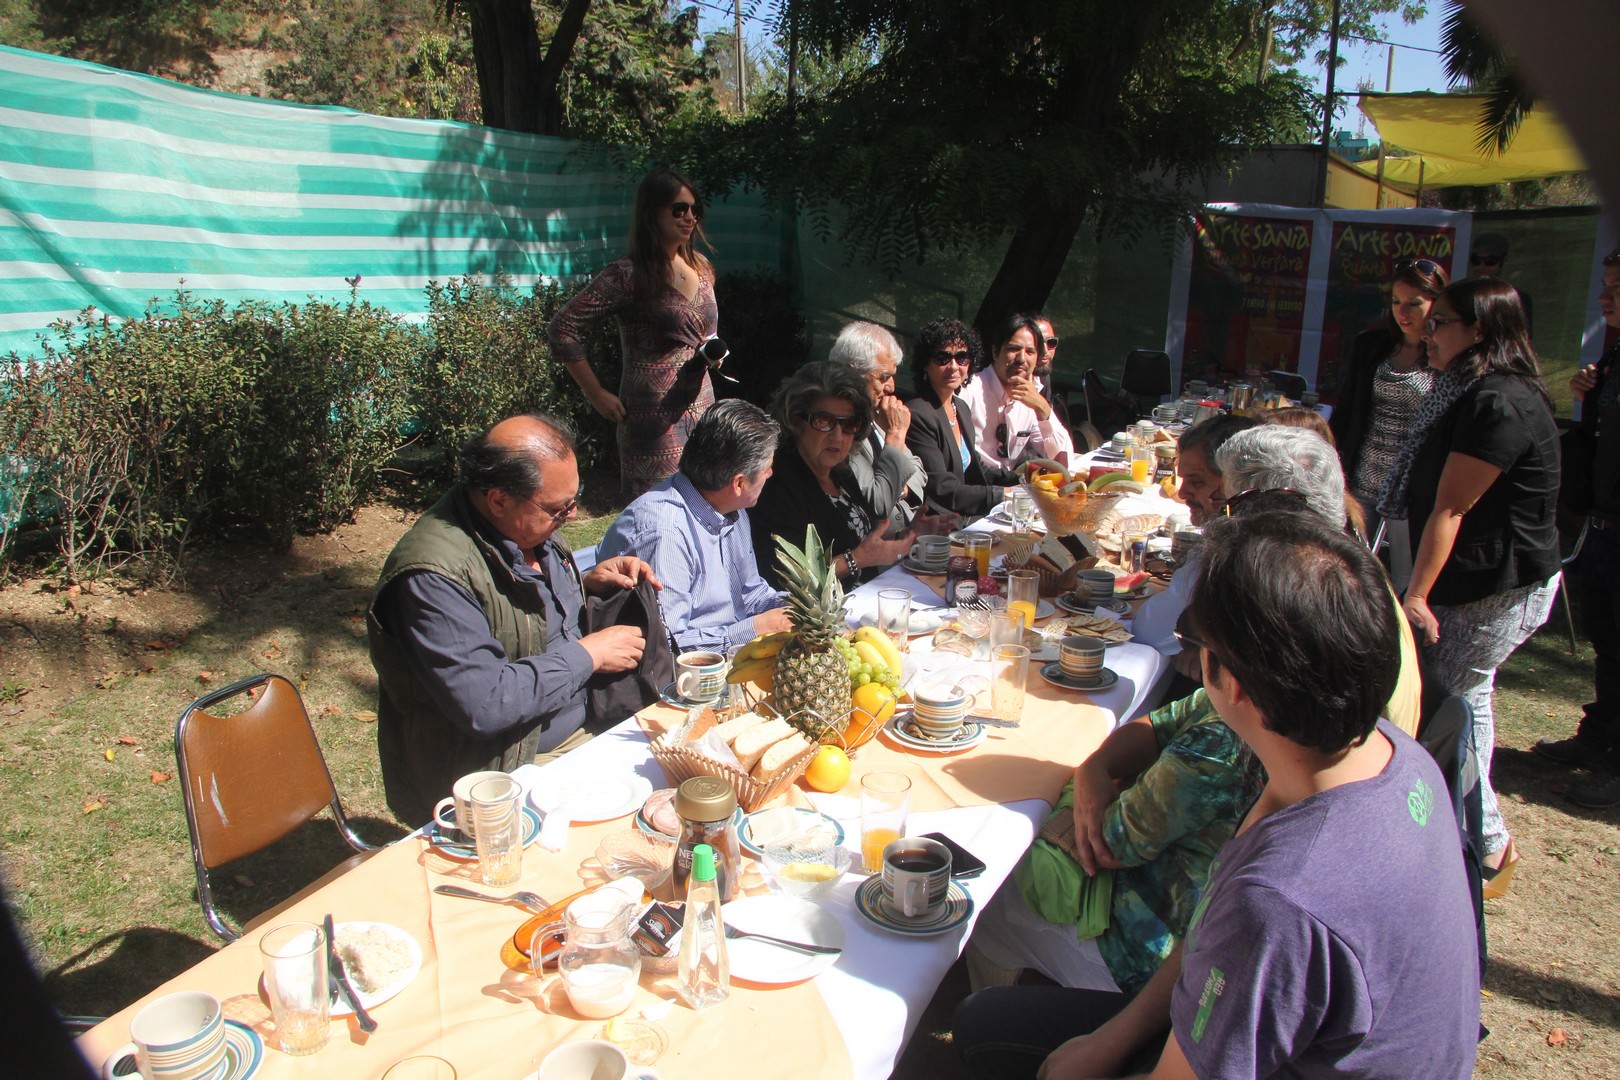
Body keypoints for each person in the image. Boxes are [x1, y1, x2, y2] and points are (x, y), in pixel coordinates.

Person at [953, 511, 1481, 1080]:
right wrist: (1110, 1039)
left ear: (1226, 678)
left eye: (1194, 638)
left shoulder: (1279, 898)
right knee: (1002, 1023)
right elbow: (1211, 934)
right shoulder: (1395, 757)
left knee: (989, 975)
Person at [963, 426, 1422, 1004]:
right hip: (1221, 901)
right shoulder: (1344, 598)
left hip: (1163, 950)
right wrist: (1095, 771)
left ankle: (1004, 1020)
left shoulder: (1249, 717)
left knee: (991, 873)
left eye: (1227, 504)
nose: (1211, 517)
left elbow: (1110, 840)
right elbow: (1172, 718)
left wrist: (1072, 793)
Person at [368, 414, 661, 826]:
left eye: (573, 501)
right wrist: (588, 656)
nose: (573, 517)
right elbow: (486, 703)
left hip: (585, 730)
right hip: (507, 771)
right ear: (499, 500)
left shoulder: (525, 527)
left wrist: (588, 585)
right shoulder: (431, 576)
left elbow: (522, 613)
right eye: (560, 508)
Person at [1380, 277, 1561, 898]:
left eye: (1440, 323)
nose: (1427, 332)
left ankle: (1485, 844)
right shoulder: (1466, 388)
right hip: (1476, 576)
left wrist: (1419, 596)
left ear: (1480, 329)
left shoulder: (1497, 402)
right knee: (1459, 700)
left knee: (1459, 701)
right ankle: (1480, 839)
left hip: (1490, 585)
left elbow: (1451, 510)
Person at [548, 169, 719, 496]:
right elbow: (563, 327)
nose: (689, 218)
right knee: (656, 517)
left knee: (705, 507)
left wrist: (712, 351)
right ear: (651, 212)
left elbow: (705, 332)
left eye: (695, 210)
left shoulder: (701, 268)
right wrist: (595, 393)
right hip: (651, 425)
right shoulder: (627, 275)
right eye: (678, 209)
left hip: (702, 409)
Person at [597, 400, 790, 654]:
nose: (771, 474)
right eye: (767, 468)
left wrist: (797, 609)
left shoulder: (732, 509)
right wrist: (754, 629)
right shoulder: (664, 533)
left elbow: (752, 595)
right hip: (683, 680)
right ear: (739, 483)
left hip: (732, 658)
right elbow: (665, 643)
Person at [1537, 275, 1620, 808]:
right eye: (1605, 286)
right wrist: (1588, 398)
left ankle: (1614, 766)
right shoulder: (1613, 360)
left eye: (1617, 289)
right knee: (1608, 643)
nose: (1604, 299)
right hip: (1606, 523)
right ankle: (1599, 739)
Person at [749, 361, 923, 589]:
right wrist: (855, 560)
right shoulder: (776, 486)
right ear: (795, 421)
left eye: (849, 423)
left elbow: (867, 541)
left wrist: (912, 533)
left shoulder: (841, 472)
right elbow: (786, 578)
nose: (838, 436)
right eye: (824, 421)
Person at [1329, 257, 1448, 577]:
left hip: (1413, 488)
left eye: (1414, 304)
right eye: (1396, 302)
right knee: (1352, 571)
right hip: (1365, 475)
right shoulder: (1372, 345)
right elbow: (1347, 411)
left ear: (1437, 305)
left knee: (1403, 577)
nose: (1402, 312)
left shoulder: (1447, 354)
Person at [1129, 413, 1258, 678]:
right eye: (1183, 479)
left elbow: (1151, 631)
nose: (1183, 492)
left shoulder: (1229, 550)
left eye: (1197, 481)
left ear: (1234, 483)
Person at [905, 317, 1022, 517]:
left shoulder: (960, 406)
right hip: (937, 524)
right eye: (942, 358)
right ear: (925, 363)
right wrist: (1002, 495)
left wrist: (1021, 479)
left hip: (964, 517)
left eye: (961, 357)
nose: (953, 366)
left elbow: (973, 464)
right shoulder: (918, 414)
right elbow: (941, 488)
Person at [828, 320, 927, 517]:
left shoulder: (876, 413)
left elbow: (920, 472)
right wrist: (896, 435)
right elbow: (878, 503)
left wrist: (897, 487)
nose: (891, 387)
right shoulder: (838, 427)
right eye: (883, 377)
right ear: (851, 372)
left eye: (892, 376)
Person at [959, 313, 1077, 470]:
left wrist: (1042, 408)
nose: (1021, 358)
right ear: (995, 352)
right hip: (978, 487)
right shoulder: (969, 390)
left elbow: (1062, 458)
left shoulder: (1031, 397)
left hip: (1012, 488)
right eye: (1013, 349)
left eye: (1030, 352)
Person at [1467, 231, 1533, 336]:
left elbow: (1523, 339)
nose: (1482, 267)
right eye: (1476, 261)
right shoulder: (1460, 295)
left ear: (1504, 261)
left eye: (1490, 262)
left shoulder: (1518, 299)